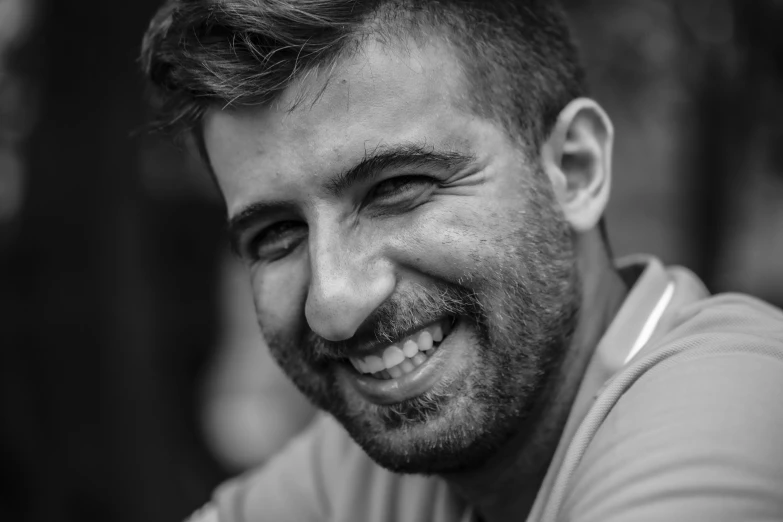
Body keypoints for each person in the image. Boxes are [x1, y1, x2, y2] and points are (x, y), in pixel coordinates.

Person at [140, 1, 783, 521]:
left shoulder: (737, 403)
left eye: (396, 188)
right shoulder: (362, 469)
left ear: (574, 169)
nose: (334, 305)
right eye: (276, 234)